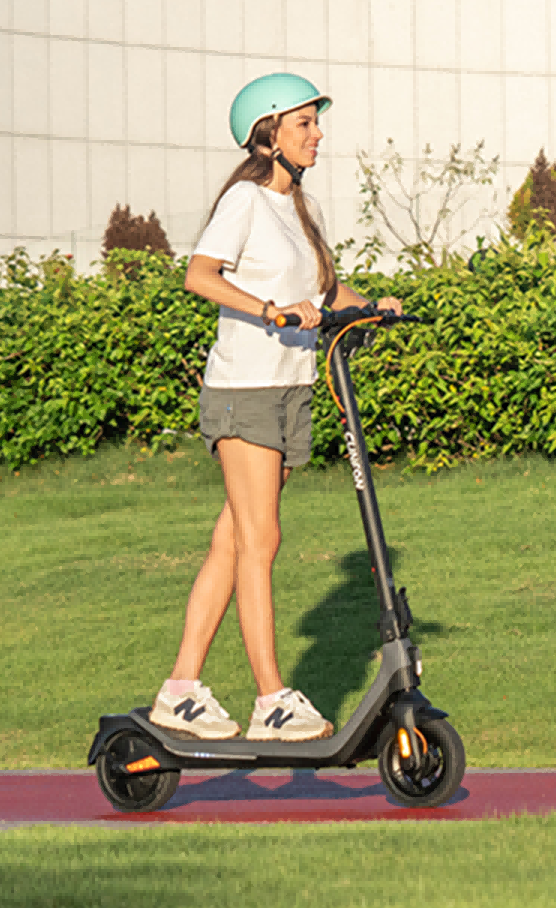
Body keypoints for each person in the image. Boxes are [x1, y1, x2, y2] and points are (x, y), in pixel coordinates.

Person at [149, 72, 402, 742]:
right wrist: (266, 309)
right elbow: (199, 276)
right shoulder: (246, 201)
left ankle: (181, 689)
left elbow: (322, 287)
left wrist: (371, 304)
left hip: (292, 386)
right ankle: (271, 698)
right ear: (268, 136)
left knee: (234, 538)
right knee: (261, 540)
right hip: (246, 389)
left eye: (316, 123)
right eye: (305, 123)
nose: (318, 134)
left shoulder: (296, 208)